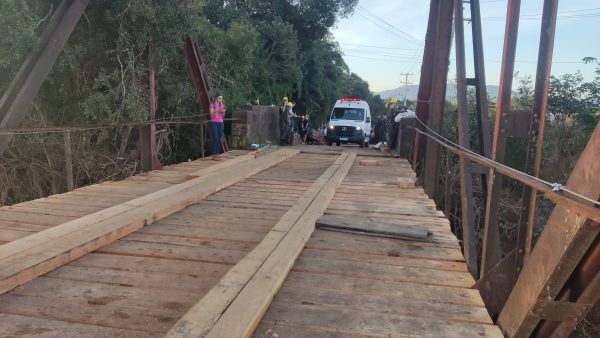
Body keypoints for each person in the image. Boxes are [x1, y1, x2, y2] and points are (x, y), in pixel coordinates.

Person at [209, 92, 226, 160]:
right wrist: (219, 110)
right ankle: (214, 155)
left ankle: (217, 154)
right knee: (215, 138)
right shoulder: (212, 104)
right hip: (214, 122)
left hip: (220, 122)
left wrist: (224, 111)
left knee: (219, 139)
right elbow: (212, 115)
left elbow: (223, 116)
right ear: (216, 98)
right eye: (219, 98)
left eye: (221, 98)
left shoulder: (222, 104)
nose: (220, 99)